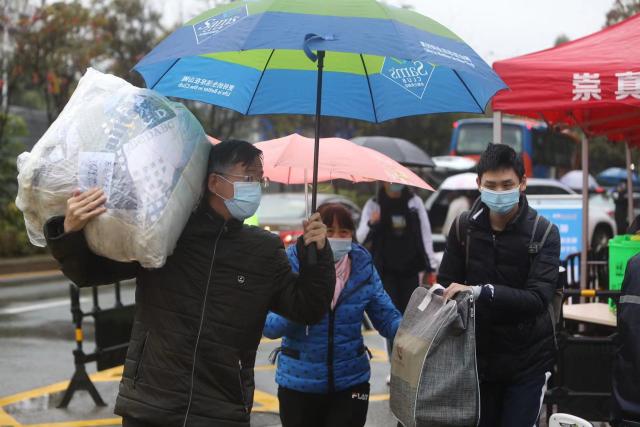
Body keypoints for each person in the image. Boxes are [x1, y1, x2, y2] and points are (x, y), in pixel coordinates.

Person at [43, 140, 336, 427]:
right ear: (214, 182)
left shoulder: (264, 250)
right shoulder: (166, 231)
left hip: (221, 411)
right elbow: (89, 273)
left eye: (260, 180)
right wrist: (69, 231)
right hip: (150, 405)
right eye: (248, 178)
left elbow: (306, 308)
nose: (255, 187)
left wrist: (318, 257)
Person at [438, 143, 561, 427]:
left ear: (522, 183)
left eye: (507, 185)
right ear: (479, 184)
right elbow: (447, 285)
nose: (499, 192)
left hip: (528, 363)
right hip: (477, 363)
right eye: (491, 185)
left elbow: (537, 299)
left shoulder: (544, 233)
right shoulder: (463, 227)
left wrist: (482, 293)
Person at [264, 203, 402, 427]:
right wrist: (304, 301)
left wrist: (418, 330)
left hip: (352, 384)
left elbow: (387, 318)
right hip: (298, 385)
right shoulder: (292, 262)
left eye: (344, 232)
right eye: (329, 231)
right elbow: (270, 327)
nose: (337, 237)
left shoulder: (362, 264)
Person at [356, 183, 437, 315]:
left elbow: (425, 234)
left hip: (410, 268)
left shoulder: (415, 202)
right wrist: (371, 222)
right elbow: (360, 237)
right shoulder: (374, 204)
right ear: (383, 182)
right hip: (384, 270)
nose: (395, 184)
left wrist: (431, 266)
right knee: (389, 311)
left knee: (410, 312)